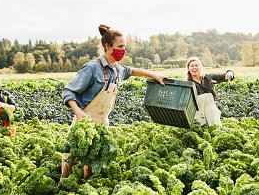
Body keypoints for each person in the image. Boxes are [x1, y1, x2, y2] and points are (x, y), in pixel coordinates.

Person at [62, 24, 165, 179]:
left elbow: (131, 71)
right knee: (71, 166)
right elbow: (69, 92)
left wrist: (154, 75)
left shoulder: (117, 70)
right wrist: (79, 113)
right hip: (83, 124)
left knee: (93, 168)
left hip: (102, 126)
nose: (123, 50)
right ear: (108, 47)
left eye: (124, 47)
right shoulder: (92, 68)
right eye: (120, 46)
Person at [186, 57, 234, 126]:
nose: (194, 67)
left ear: (200, 67)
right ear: (188, 69)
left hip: (211, 109)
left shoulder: (208, 77)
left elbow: (222, 76)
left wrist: (229, 73)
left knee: (215, 128)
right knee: (201, 130)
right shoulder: (187, 83)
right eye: (191, 66)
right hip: (197, 112)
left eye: (196, 65)